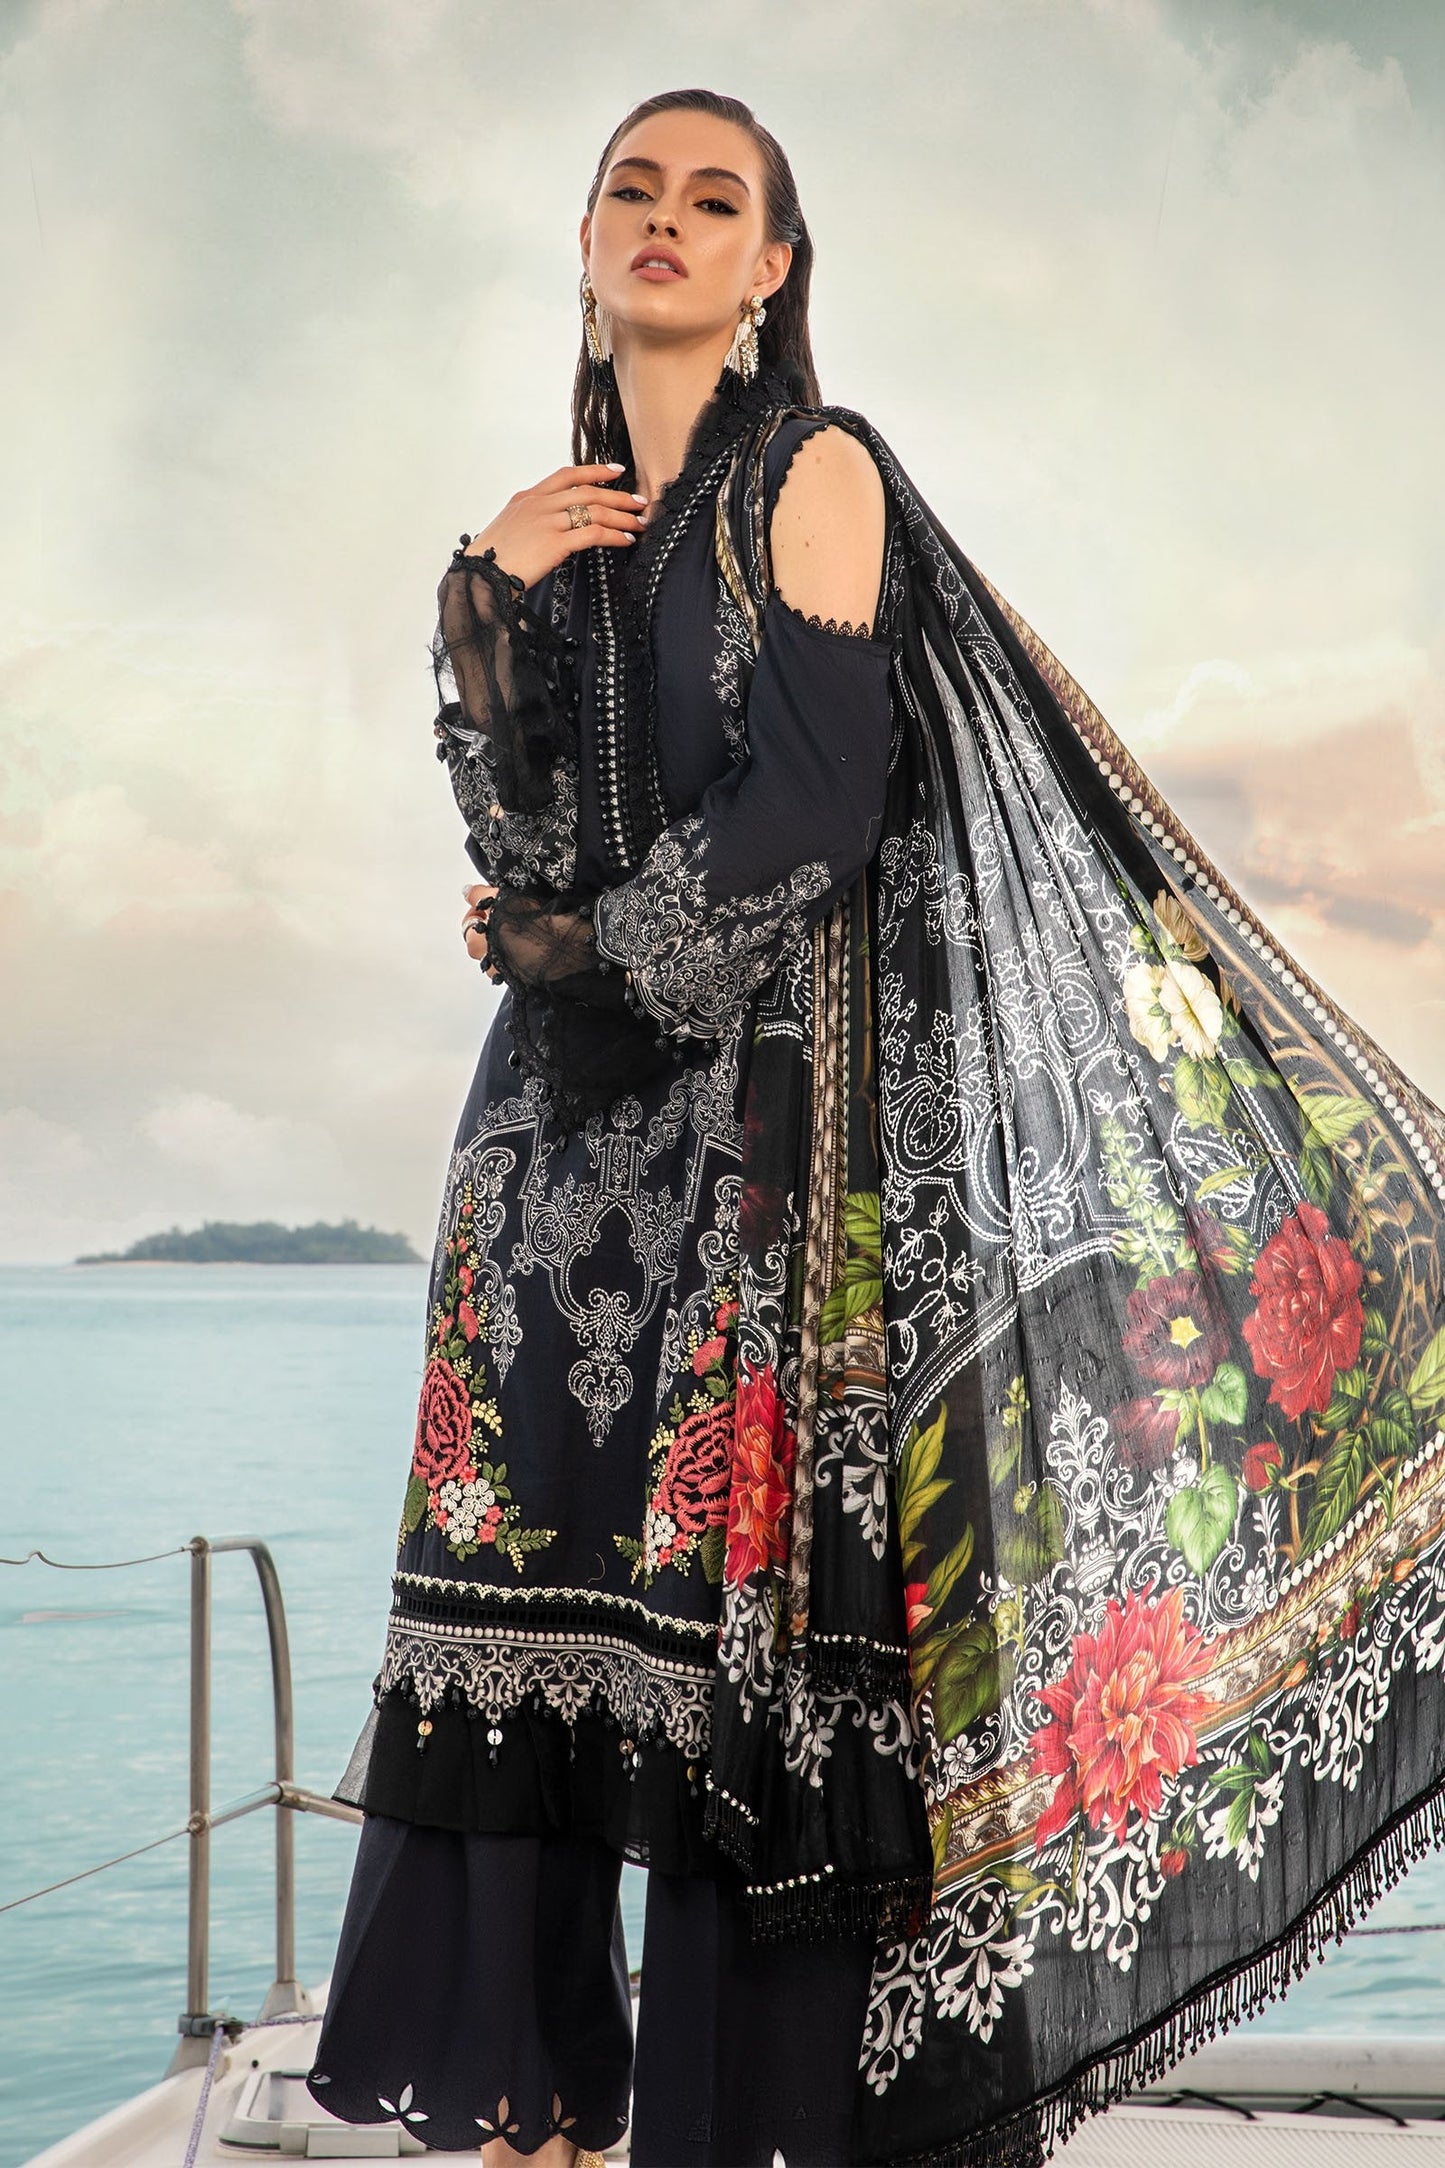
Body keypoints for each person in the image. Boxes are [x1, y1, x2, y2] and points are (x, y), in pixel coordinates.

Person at [307, 84, 1445, 2168]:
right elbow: (520, 855)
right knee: (514, 1626)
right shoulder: (558, 535)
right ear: (584, 243)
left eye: (711, 197)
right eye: (630, 189)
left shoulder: (806, 472)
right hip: (545, 1177)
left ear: (771, 268)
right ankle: (536, 2119)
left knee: (725, 1668)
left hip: (754, 1154)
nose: (664, 218)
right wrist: (475, 600)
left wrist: (574, 942)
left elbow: (811, 819)